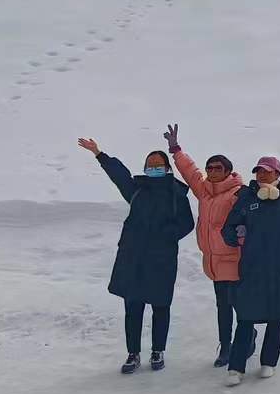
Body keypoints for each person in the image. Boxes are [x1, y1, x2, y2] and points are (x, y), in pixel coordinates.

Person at [78, 137, 195, 374]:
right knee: (133, 305)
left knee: (161, 305)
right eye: (149, 164)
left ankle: (157, 350)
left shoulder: (177, 194)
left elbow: (187, 223)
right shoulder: (136, 189)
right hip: (133, 256)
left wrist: (166, 236)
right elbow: (119, 175)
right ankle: (133, 353)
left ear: (167, 168)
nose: (153, 168)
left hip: (161, 258)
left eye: (157, 164)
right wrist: (99, 154)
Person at [219, 156, 280, 387]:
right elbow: (228, 228)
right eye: (258, 171)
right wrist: (237, 235)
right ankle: (236, 367)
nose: (262, 175)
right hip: (252, 267)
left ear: (277, 174)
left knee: (277, 314)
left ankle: (269, 362)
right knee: (246, 316)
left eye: (267, 171)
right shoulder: (245, 199)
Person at [164, 123, 245, 367]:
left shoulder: (238, 193)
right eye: (209, 167)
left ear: (228, 171)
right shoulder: (205, 191)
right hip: (212, 260)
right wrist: (175, 149)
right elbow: (190, 172)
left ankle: (242, 340)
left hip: (233, 258)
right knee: (222, 305)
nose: (212, 171)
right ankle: (226, 345)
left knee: (237, 304)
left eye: (217, 168)